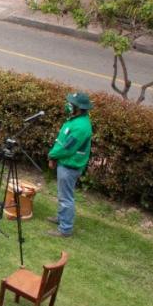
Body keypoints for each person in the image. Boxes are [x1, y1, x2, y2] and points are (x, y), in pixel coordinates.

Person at [47, 91, 93, 238]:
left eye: (70, 104)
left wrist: (52, 155)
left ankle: (65, 229)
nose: (67, 105)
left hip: (69, 166)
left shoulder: (81, 126)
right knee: (63, 194)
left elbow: (67, 148)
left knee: (66, 198)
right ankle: (61, 218)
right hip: (64, 162)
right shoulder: (75, 119)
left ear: (78, 107)